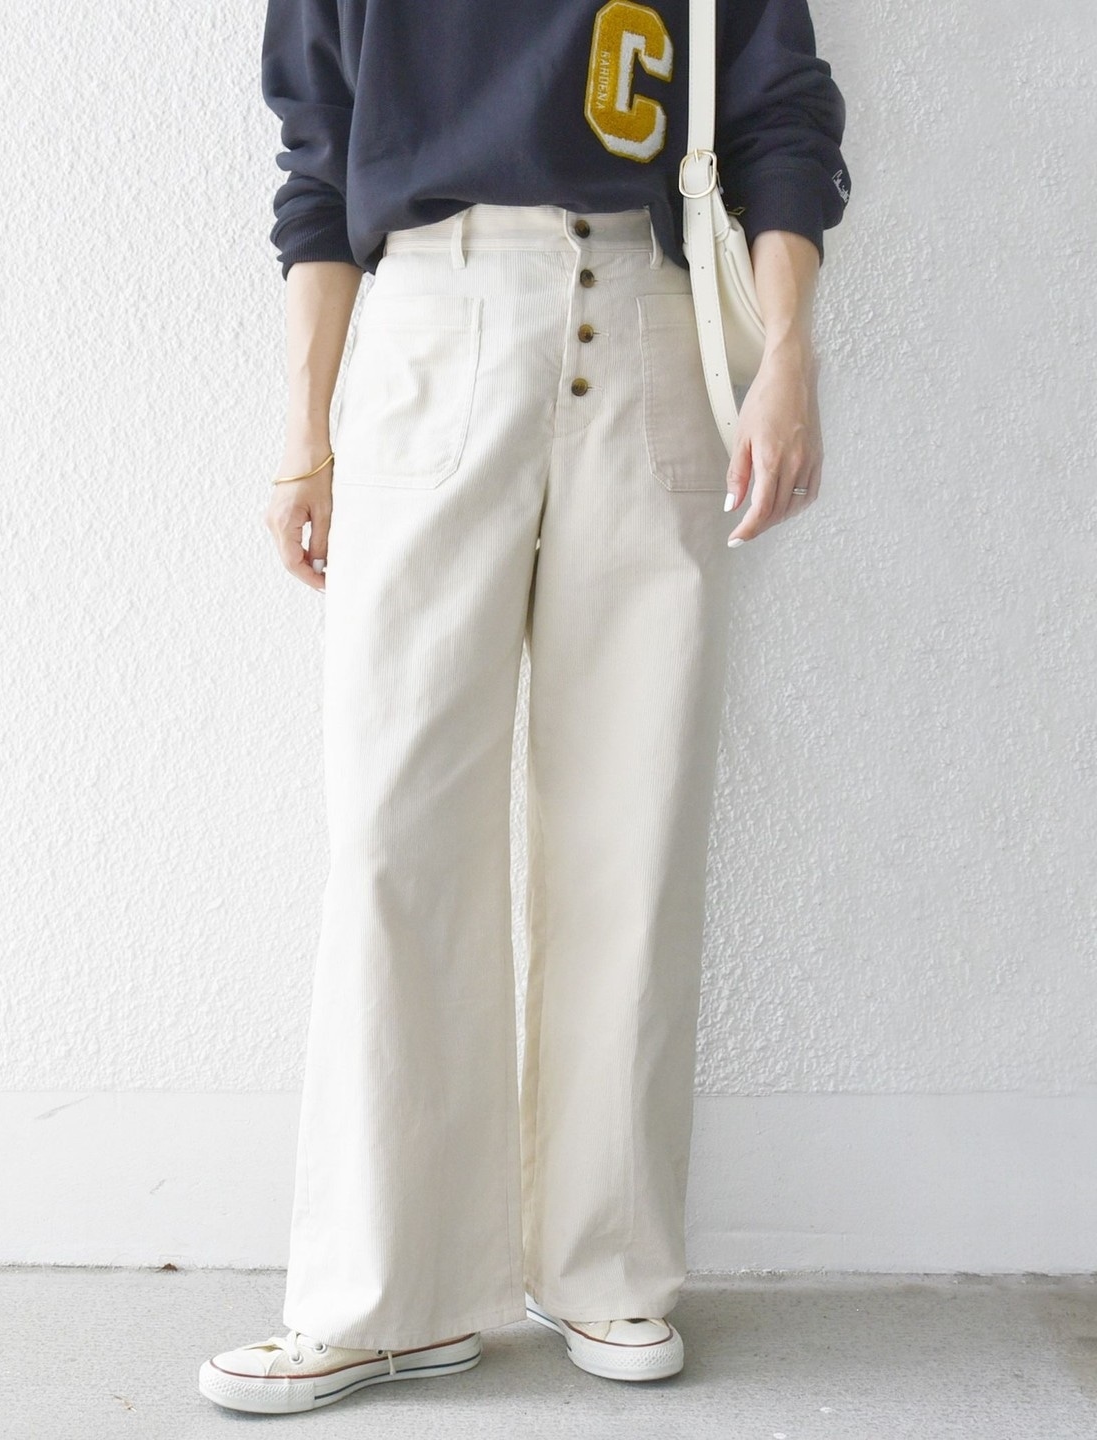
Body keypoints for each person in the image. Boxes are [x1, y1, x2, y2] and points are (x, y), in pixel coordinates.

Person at [199, 0, 850, 1416]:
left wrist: (789, 353)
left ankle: (606, 1264)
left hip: (652, 311)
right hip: (432, 313)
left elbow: (779, 115)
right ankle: (387, 1296)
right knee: (395, 832)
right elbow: (318, 152)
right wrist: (302, 428)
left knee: (634, 822)